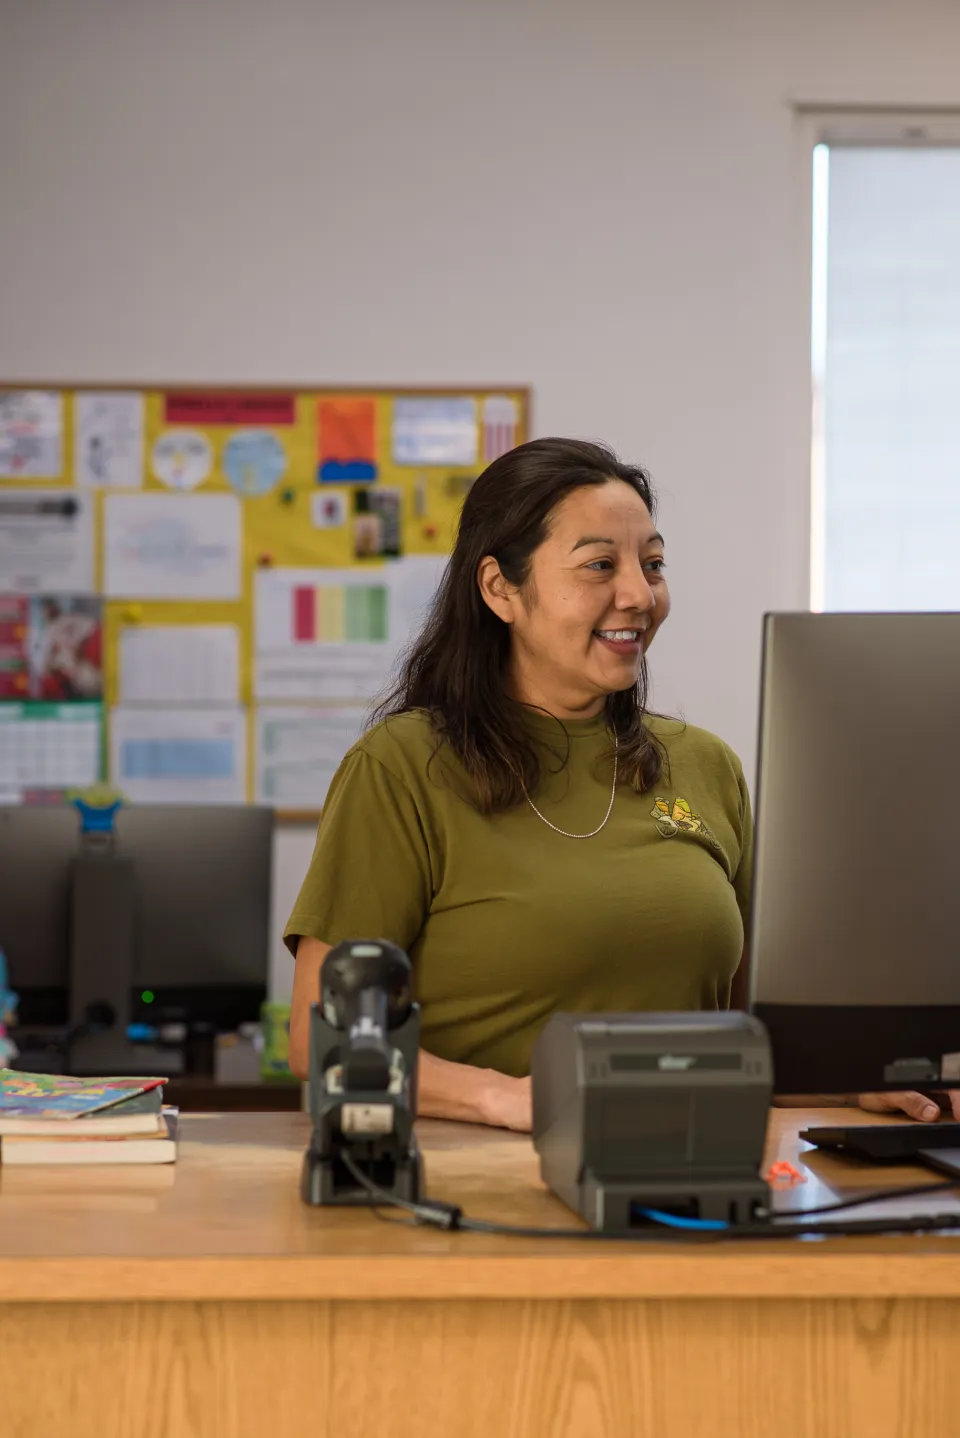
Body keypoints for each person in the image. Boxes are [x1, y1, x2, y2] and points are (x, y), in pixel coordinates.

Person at [285, 438, 959, 1130]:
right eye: (600, 565)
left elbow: (755, 1035)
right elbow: (320, 1042)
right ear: (500, 589)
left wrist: (850, 1082)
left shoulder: (706, 765)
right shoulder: (403, 766)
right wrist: (506, 1096)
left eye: (654, 564)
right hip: (477, 1185)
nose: (639, 595)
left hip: (692, 1165)